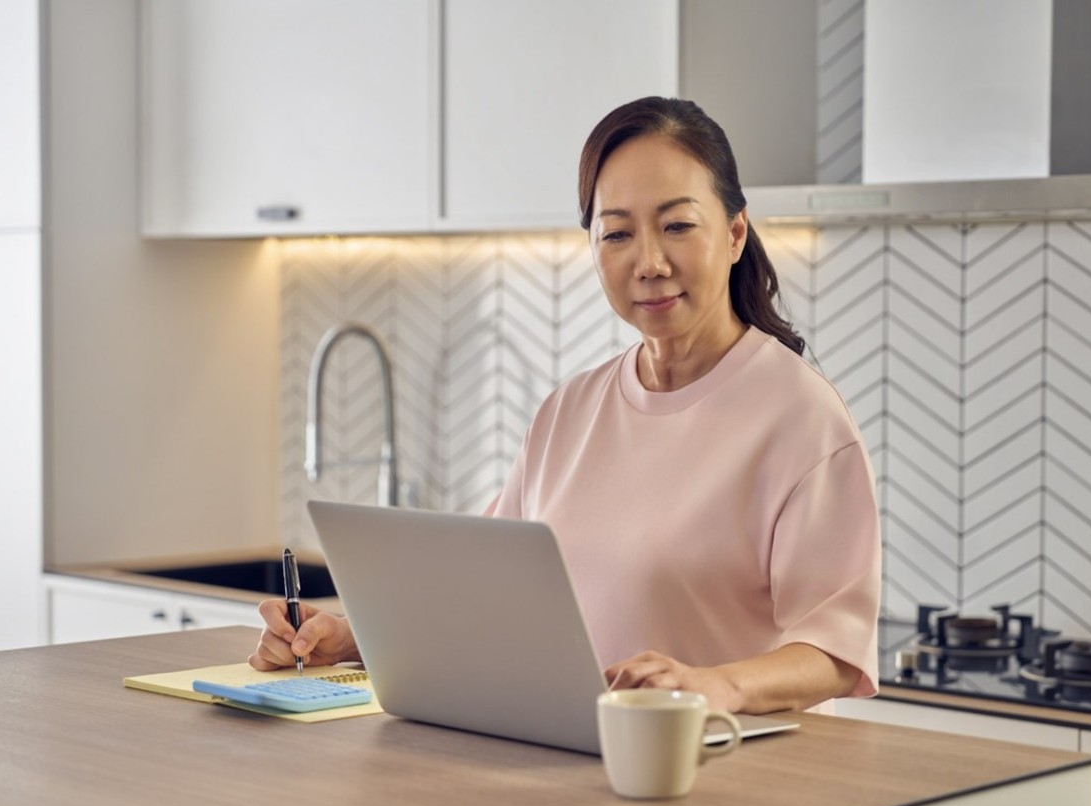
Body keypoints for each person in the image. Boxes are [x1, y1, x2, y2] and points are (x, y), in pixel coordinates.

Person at [251, 97, 881, 715]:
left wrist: (718, 686)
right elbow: (485, 589)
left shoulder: (802, 417)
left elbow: (835, 650)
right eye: (617, 234)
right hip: (575, 770)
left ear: (736, 232)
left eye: (678, 226)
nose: (650, 263)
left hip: (719, 770)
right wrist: (350, 636)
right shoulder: (570, 411)